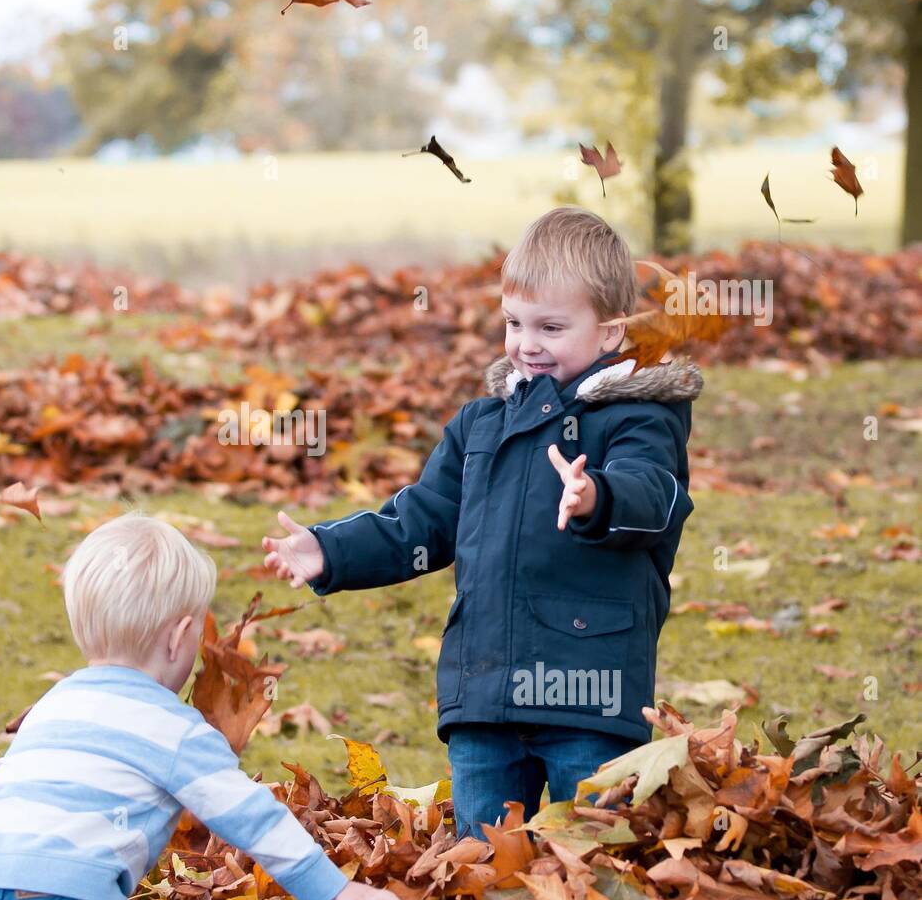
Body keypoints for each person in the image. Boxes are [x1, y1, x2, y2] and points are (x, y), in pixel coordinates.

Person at [262, 207, 703, 838]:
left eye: (551, 327)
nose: (527, 343)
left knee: (592, 853)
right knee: (482, 866)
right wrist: (331, 551)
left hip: (590, 693)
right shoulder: (482, 425)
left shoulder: (638, 417)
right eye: (514, 323)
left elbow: (654, 496)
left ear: (609, 333)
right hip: (484, 693)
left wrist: (596, 495)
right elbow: (421, 521)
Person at [0, 511, 407, 900]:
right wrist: (332, 888)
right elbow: (248, 813)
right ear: (181, 636)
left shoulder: (51, 704)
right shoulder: (172, 725)